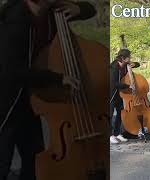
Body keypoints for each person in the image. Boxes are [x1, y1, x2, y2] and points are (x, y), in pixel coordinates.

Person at [0, 0, 95, 179]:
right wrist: (58, 78)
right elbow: (13, 71)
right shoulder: (15, 20)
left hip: (34, 96)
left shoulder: (52, 11)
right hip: (9, 98)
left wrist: (79, 8)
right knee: (3, 158)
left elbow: (90, 10)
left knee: (34, 159)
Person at [109, 48, 131, 144]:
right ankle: (110, 136)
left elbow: (136, 64)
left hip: (119, 94)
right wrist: (128, 86)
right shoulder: (114, 68)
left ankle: (117, 133)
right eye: (128, 58)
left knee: (120, 113)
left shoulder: (124, 65)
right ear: (122, 58)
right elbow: (115, 84)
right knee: (110, 114)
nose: (130, 59)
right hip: (112, 94)